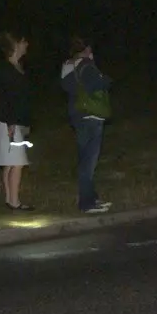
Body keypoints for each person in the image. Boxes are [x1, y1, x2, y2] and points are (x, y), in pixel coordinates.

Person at [60, 36, 112, 214]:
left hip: (77, 115)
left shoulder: (68, 67)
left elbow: (70, 88)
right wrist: (104, 78)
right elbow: (96, 84)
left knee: (85, 159)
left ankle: (91, 198)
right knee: (89, 161)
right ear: (86, 49)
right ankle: (87, 202)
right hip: (91, 116)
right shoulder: (86, 65)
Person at [0, 31, 34, 211]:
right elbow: (3, 98)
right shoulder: (5, 70)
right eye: (24, 41)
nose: (27, 45)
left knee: (10, 161)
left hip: (16, 121)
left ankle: (10, 199)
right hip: (9, 122)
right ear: (16, 45)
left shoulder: (17, 67)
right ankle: (15, 201)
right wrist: (10, 122)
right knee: (17, 161)